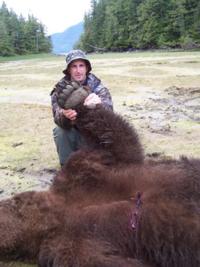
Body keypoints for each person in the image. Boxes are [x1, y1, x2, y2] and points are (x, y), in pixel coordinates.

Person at [51, 49, 113, 166]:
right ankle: (67, 167)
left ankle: (103, 163)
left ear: (87, 68)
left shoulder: (98, 87)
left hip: (93, 132)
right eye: (74, 66)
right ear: (68, 70)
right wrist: (64, 115)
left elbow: (110, 114)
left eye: (81, 66)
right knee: (60, 131)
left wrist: (99, 105)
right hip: (75, 132)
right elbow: (56, 115)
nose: (78, 70)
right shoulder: (60, 91)